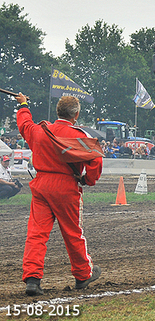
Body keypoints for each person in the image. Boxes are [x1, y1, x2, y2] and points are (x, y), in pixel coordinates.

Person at [15, 93, 103, 296]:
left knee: (37, 234)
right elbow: (96, 161)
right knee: (73, 233)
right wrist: (88, 180)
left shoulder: (39, 130)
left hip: (41, 185)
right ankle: (83, 275)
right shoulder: (79, 135)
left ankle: (32, 278)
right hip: (65, 186)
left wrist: (24, 104)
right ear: (76, 114)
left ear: (58, 112)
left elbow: (24, 124)